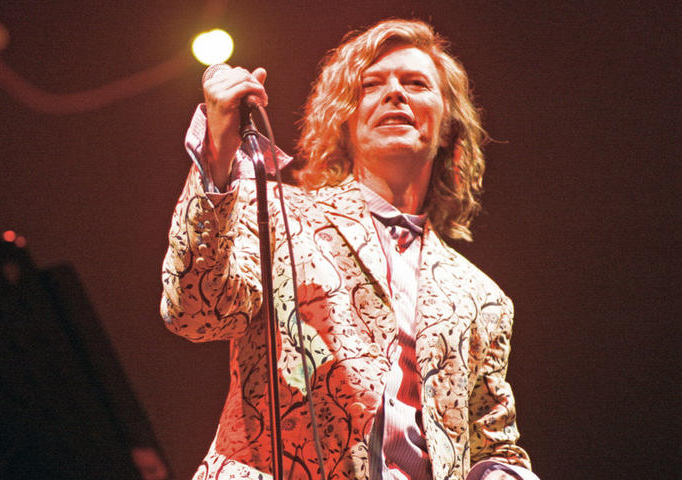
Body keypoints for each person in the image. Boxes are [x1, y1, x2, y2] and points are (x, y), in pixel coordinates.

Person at [161, 18, 538, 480]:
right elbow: (195, 313)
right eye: (371, 85)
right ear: (345, 120)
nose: (395, 93)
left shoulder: (483, 298)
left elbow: (492, 447)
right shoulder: (279, 214)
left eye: (416, 83)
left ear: (447, 127)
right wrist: (218, 156)